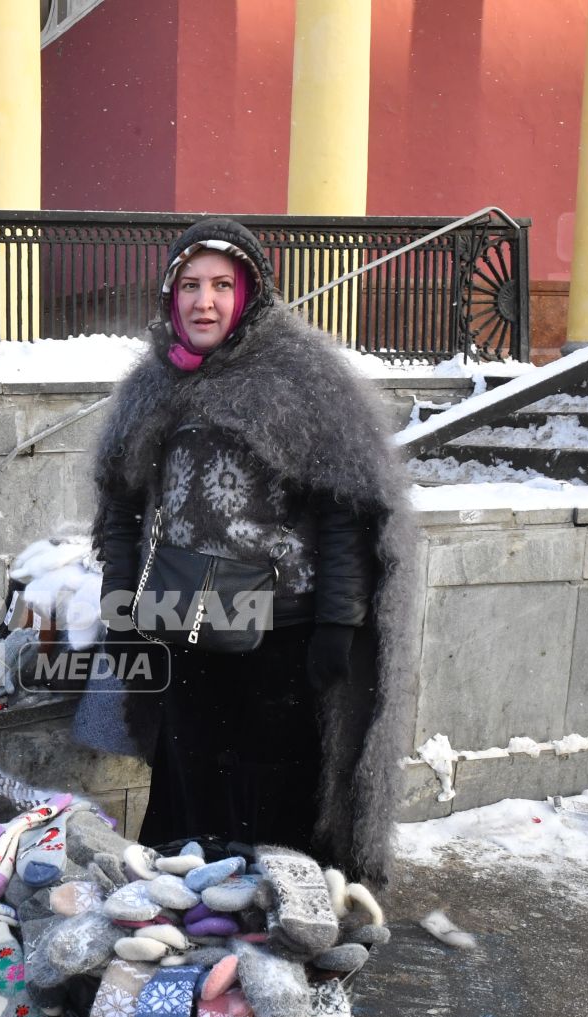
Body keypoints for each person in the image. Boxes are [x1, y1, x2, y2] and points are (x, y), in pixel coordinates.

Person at [73, 217, 417, 888]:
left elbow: (347, 511)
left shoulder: (304, 377)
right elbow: (120, 504)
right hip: (179, 626)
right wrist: (123, 606)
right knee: (191, 785)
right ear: (171, 295)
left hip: (280, 638)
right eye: (191, 285)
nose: (205, 301)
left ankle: (278, 936)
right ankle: (188, 935)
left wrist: (338, 625)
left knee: (274, 803)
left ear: (251, 292)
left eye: (222, 285)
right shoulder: (151, 384)